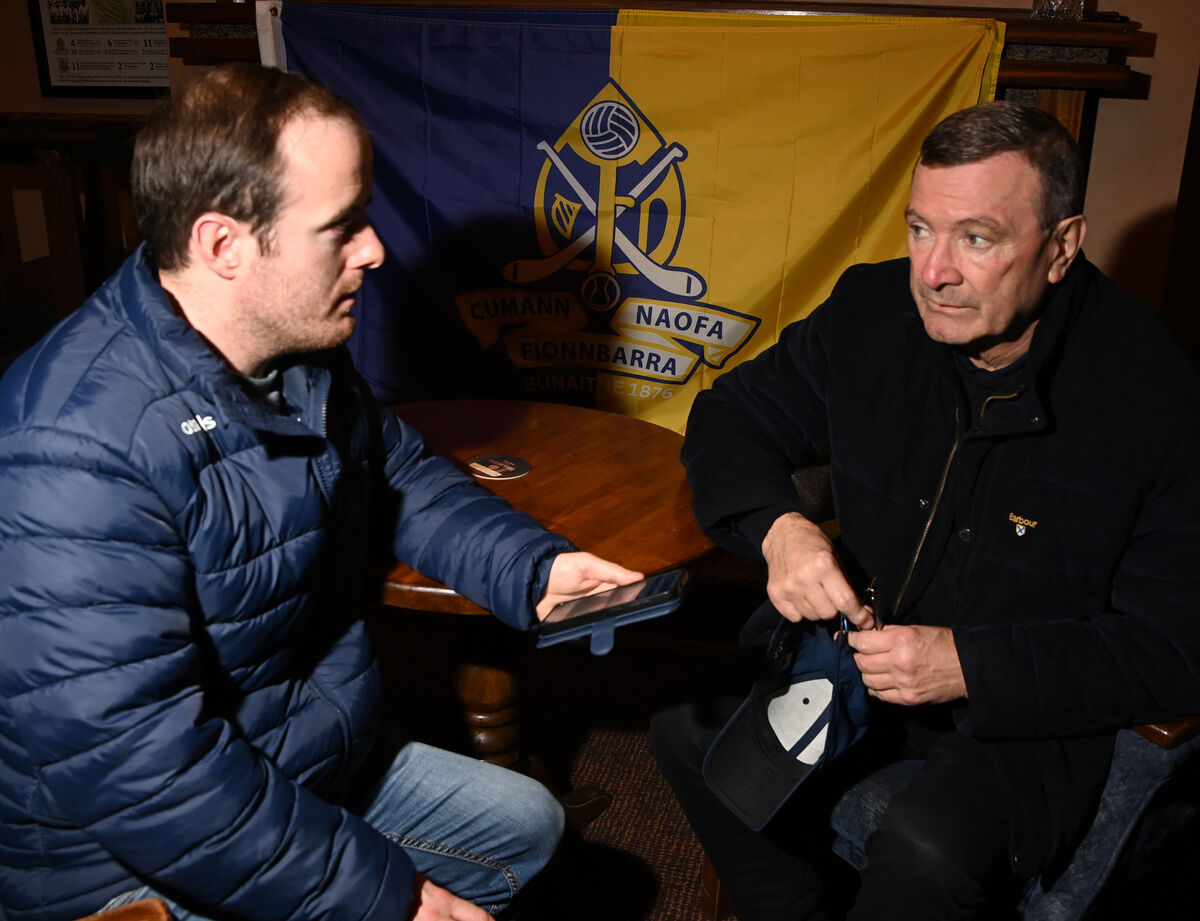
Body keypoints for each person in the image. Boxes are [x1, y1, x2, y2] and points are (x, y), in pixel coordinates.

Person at [0, 63, 642, 921]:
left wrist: (532, 569)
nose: (374, 248)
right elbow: (143, 771)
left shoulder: (293, 339)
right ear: (224, 245)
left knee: (527, 823)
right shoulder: (69, 444)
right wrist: (391, 896)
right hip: (123, 862)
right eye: (341, 226)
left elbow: (399, 473)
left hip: (294, 756)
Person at [650, 100, 1200, 920]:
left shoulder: (1153, 395)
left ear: (1062, 246)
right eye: (919, 229)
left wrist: (969, 664)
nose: (933, 271)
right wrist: (781, 528)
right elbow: (732, 417)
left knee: (924, 847)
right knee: (683, 733)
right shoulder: (870, 312)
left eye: (976, 238)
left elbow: (1176, 648)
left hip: (1019, 715)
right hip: (851, 660)